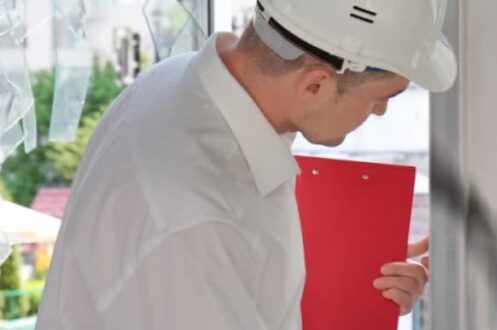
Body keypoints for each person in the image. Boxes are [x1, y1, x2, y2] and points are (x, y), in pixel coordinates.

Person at [36, 0, 455, 328]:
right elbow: (208, 238)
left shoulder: (175, 82)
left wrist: (346, 268)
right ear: (316, 84)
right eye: (384, 96)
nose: (380, 111)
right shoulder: (194, 225)